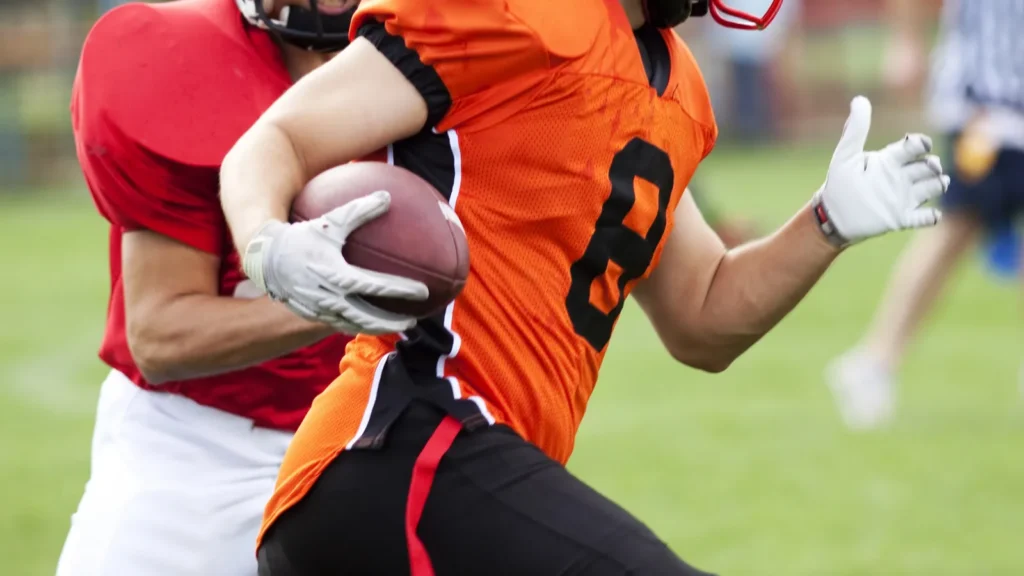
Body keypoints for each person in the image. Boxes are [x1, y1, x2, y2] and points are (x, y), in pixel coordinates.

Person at [218, 0, 947, 573]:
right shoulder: (511, 12)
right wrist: (266, 244)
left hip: (472, 471)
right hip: (401, 448)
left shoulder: (677, 88)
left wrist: (825, 223)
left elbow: (702, 316)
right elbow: (275, 140)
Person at [56, 1, 364, 574]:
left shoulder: (448, 60)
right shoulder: (185, 59)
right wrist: (338, 302)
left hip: (379, 440)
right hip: (206, 452)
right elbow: (161, 334)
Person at [828, 0, 1024, 430]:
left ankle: (873, 363)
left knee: (958, 228)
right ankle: (874, 361)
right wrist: (907, 41)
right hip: (988, 101)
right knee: (957, 225)